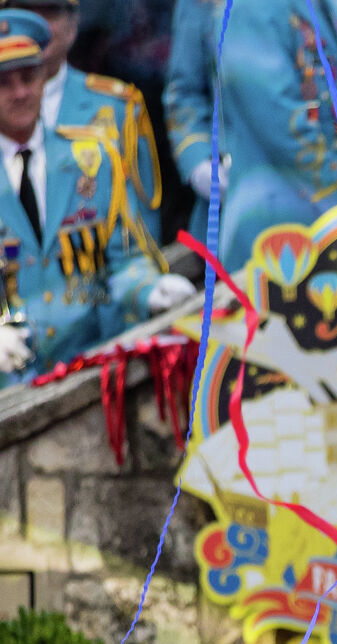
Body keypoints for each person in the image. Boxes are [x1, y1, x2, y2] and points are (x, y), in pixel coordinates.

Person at [163, 0, 337, 269]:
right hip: (282, 215)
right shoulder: (246, 11)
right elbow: (278, 123)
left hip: (335, 200)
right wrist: (197, 158)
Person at [0, 9, 192, 382]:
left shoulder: (93, 158)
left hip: (97, 366)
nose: (21, 93)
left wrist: (150, 289)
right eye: (5, 84)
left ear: (44, 77)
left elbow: (124, 262)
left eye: (29, 77)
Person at [20, 0, 160, 241]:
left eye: (50, 13)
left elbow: (141, 230)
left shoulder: (117, 107)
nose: (38, 26)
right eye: (26, 13)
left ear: (73, 24)